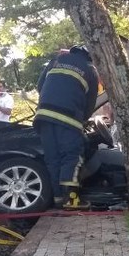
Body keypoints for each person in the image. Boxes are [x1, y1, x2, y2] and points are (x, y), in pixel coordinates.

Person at [34, 45, 99, 208]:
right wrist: (82, 119)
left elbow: (40, 86)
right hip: (69, 119)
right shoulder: (90, 70)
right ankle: (72, 201)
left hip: (43, 117)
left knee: (53, 159)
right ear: (89, 57)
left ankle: (58, 200)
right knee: (71, 158)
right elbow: (91, 103)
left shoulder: (55, 61)